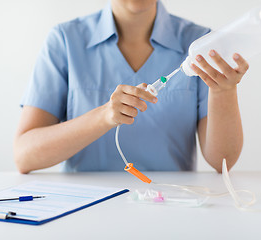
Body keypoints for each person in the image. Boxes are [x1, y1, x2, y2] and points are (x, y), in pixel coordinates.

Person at [14, 0, 248, 174]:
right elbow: (25, 156)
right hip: (85, 210)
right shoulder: (65, 41)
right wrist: (103, 117)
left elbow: (222, 161)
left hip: (171, 206)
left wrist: (224, 91)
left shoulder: (200, 44)